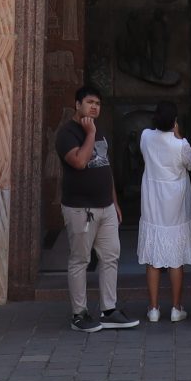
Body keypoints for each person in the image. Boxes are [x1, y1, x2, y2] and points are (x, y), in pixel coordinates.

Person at [56, 85, 136, 332]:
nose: (94, 107)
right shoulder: (66, 133)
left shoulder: (98, 131)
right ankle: (79, 314)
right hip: (81, 209)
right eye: (90, 102)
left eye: (98, 104)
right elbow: (79, 162)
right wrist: (89, 133)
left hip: (105, 207)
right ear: (77, 104)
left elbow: (104, 166)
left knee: (111, 256)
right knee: (80, 259)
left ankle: (108, 310)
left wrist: (115, 202)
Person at [138, 102, 191, 322]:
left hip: (152, 202)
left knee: (153, 259)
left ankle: (153, 308)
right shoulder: (180, 144)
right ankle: (176, 307)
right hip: (175, 204)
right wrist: (180, 135)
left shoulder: (145, 136)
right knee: (176, 260)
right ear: (174, 121)